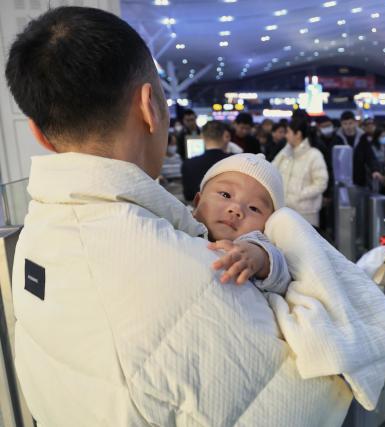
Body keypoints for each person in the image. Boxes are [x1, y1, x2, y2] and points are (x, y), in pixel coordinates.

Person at [5, 7, 366, 425]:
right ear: (149, 107)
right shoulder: (200, 270)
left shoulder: (32, 238)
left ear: (38, 131)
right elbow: (312, 400)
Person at [192, 153, 290, 294]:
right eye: (225, 195)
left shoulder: (256, 243)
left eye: (254, 208)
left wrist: (261, 259)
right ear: (197, 201)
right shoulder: (181, 223)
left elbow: (283, 279)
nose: (236, 209)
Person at [273, 117, 329, 228]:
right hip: (285, 211)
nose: (286, 136)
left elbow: (321, 183)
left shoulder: (314, 155)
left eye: (288, 132)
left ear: (298, 134)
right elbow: (272, 169)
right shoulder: (286, 154)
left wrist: (299, 195)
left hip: (306, 215)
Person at [181, 120, 231, 202]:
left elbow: (188, 196)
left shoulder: (188, 164)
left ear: (202, 136)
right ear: (224, 136)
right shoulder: (236, 161)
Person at [335, 111, 383, 187]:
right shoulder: (337, 138)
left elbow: (370, 156)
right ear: (341, 124)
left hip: (360, 178)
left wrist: (375, 170)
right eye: (345, 124)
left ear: (355, 123)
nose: (348, 126)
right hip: (341, 179)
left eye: (350, 123)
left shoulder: (362, 138)